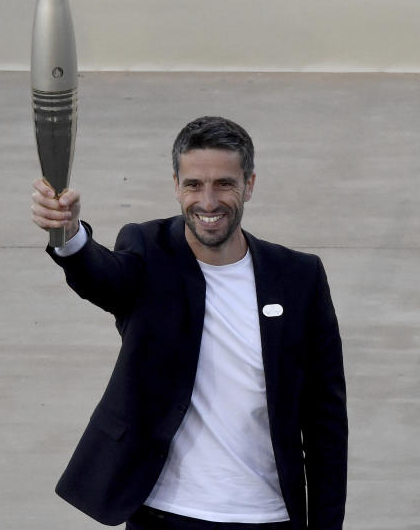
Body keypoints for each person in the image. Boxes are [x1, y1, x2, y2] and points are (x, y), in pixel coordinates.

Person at [31, 116, 347, 530]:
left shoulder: (298, 277)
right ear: (176, 185)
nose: (209, 201)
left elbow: (325, 422)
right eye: (194, 184)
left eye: (225, 184)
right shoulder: (149, 251)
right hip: (166, 514)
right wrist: (70, 237)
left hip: (268, 517)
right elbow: (104, 278)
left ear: (249, 185)